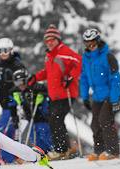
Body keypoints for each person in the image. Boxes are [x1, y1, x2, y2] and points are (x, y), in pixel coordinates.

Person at [28, 24, 82, 160]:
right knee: (53, 121)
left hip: (66, 93)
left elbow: (80, 62)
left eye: (52, 39)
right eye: (47, 40)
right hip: (54, 95)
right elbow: (48, 72)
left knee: (55, 120)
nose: (50, 42)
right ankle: (62, 150)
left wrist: (70, 77)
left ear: (58, 39)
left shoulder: (65, 52)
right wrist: (35, 77)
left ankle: (62, 150)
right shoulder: (49, 56)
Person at [79, 28, 120, 161]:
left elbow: (115, 79)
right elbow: (84, 79)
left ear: (98, 42)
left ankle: (113, 151)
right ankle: (100, 151)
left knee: (105, 121)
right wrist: (85, 97)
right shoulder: (86, 58)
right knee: (95, 124)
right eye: (88, 44)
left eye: (93, 43)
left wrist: (115, 100)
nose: (91, 47)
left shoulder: (107, 57)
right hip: (97, 96)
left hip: (110, 95)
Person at [0, 38, 27, 164]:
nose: (3, 54)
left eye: (5, 51)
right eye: (0, 51)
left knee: (0, 130)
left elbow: (23, 85)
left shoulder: (18, 66)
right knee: (9, 131)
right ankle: (9, 158)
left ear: (11, 50)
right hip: (4, 104)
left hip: (14, 104)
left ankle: (12, 156)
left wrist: (20, 100)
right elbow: (0, 85)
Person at [8, 69, 53, 153]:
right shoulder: (15, 91)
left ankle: (52, 150)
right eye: (17, 83)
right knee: (34, 136)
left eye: (22, 82)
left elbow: (48, 98)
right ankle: (43, 153)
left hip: (42, 116)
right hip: (30, 117)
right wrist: (14, 117)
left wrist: (48, 111)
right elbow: (12, 104)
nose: (20, 85)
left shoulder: (36, 87)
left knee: (45, 134)